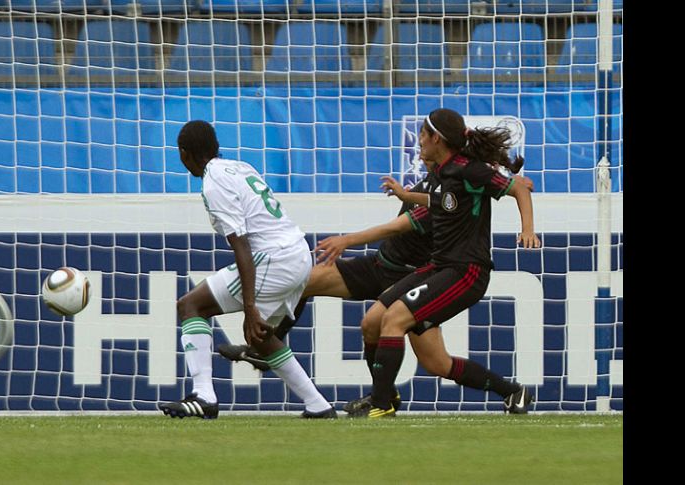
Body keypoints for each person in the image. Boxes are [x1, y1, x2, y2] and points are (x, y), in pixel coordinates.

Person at [219, 150, 536, 416]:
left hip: (411, 278)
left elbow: (396, 227)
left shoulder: (450, 192)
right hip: (379, 266)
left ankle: (511, 391)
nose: (422, 150)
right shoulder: (437, 181)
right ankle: (269, 347)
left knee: (437, 363)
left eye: (427, 141)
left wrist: (347, 240)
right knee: (304, 280)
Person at [349, 108, 540, 418]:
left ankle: (382, 403)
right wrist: (406, 194)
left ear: (436, 138)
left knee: (394, 320)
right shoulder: (442, 171)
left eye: (422, 135)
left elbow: (518, 188)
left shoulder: (469, 169)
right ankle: (512, 392)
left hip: (466, 271)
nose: (419, 142)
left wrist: (528, 230)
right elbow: (442, 199)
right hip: (440, 266)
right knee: (376, 325)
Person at [158, 120, 336, 419]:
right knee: (260, 337)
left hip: (275, 258)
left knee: (191, 305)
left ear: (184, 154)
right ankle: (318, 405)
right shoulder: (240, 167)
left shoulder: (214, 182)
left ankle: (204, 397)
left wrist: (250, 306)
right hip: (298, 253)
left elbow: (240, 244)